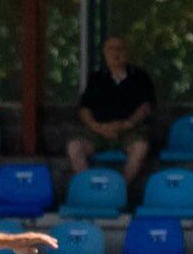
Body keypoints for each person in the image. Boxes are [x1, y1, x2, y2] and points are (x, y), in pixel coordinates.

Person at [67, 35, 157, 179]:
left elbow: (146, 106)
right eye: (111, 49)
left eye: (119, 49)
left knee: (141, 147)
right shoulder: (96, 78)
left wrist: (129, 123)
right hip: (99, 132)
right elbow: (84, 109)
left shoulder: (140, 77)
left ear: (127, 52)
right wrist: (98, 127)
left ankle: (120, 190)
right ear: (104, 53)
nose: (115, 53)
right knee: (74, 147)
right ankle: (89, 188)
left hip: (129, 131)